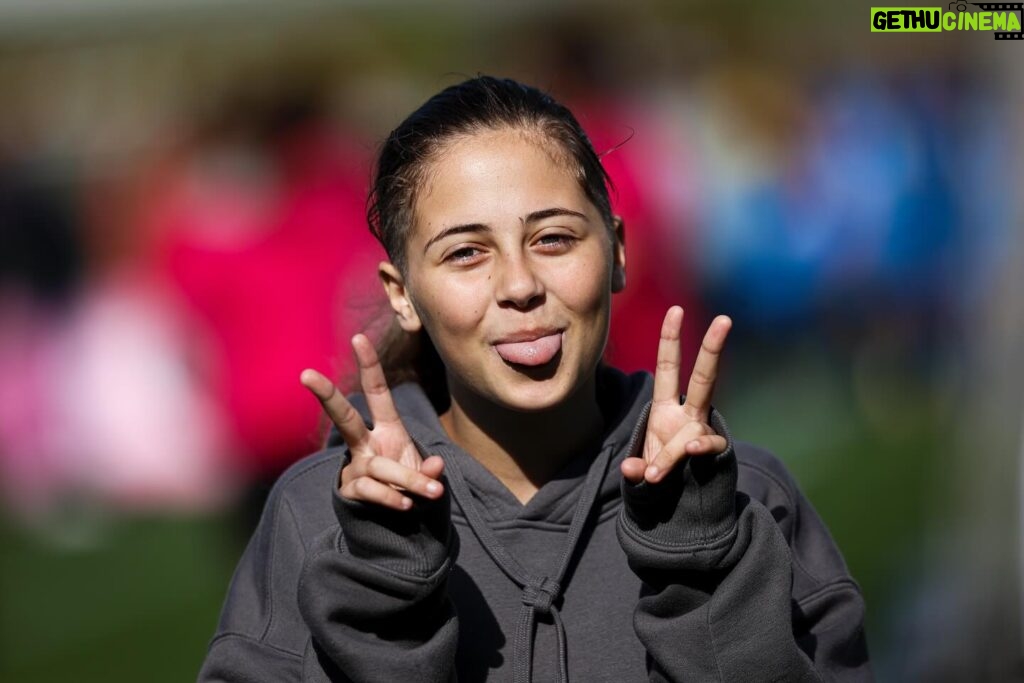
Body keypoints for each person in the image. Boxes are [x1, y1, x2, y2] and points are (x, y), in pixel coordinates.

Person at [197, 75, 872, 682]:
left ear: (618, 252)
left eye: (553, 239)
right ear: (402, 294)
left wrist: (704, 559)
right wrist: (382, 587)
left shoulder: (750, 496)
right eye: (466, 253)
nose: (520, 285)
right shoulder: (317, 514)